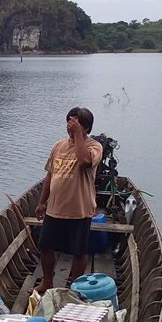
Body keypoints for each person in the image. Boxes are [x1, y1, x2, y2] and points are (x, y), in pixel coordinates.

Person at [34, 107, 103, 294]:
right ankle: (47, 281)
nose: (69, 127)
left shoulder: (94, 147)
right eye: (68, 122)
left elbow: (84, 160)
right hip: (55, 209)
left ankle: (74, 287)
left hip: (79, 210)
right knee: (45, 246)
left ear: (86, 127)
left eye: (75, 123)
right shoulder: (58, 146)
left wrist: (79, 135)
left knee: (79, 252)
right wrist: (41, 202)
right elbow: (50, 176)